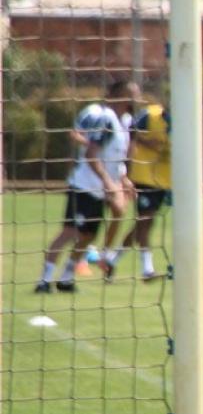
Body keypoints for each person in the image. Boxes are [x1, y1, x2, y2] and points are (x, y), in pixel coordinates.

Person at [36, 81, 139, 294]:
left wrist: (123, 178)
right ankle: (44, 281)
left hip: (101, 190)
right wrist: (108, 181)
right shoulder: (104, 118)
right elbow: (92, 154)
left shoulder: (126, 122)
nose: (137, 98)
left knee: (88, 236)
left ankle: (66, 279)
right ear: (122, 96)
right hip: (84, 186)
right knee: (69, 232)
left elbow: (114, 157)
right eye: (133, 94)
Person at [104, 98, 170, 282]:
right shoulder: (149, 115)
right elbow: (130, 134)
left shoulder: (184, 121)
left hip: (164, 179)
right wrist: (127, 172)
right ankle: (147, 269)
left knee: (145, 223)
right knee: (145, 219)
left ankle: (111, 260)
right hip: (143, 175)